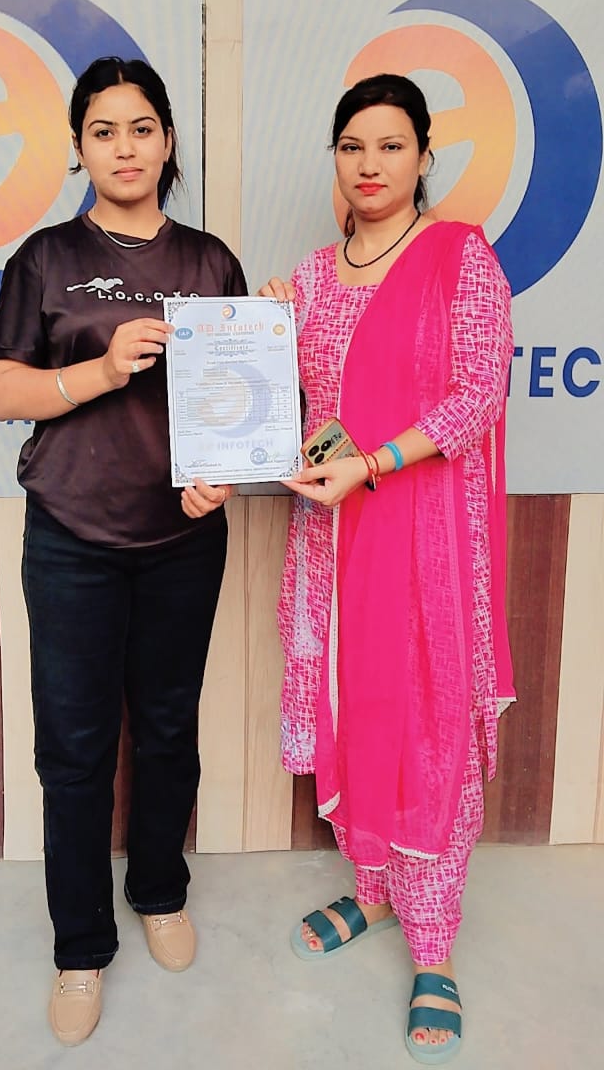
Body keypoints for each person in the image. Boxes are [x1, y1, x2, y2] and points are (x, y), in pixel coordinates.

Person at [0, 56, 246, 1046]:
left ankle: (160, 890)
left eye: (142, 128)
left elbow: (238, 400)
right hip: (70, 537)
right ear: (80, 146)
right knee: (75, 745)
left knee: (169, 725)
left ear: (168, 141)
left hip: (184, 538)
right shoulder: (45, 257)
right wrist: (100, 368)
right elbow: (4, 390)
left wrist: (223, 474)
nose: (125, 147)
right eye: (103, 131)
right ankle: (79, 946)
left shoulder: (210, 262)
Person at [260, 73, 515, 1064]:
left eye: (391, 145)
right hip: (335, 536)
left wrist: (374, 462)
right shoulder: (313, 276)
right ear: (336, 157)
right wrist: (264, 337)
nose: (369, 165)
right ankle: (371, 890)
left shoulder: (459, 260)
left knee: (426, 723)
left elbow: (477, 393)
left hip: (425, 540)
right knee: (352, 706)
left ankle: (435, 946)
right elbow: (306, 409)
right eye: (352, 146)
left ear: (423, 156)